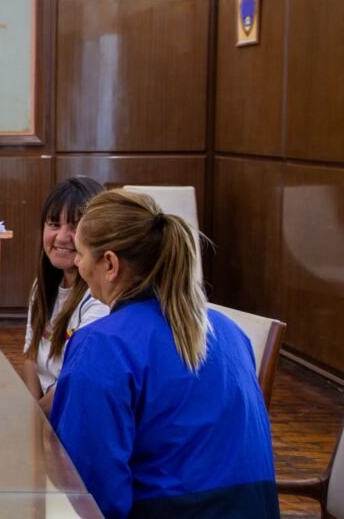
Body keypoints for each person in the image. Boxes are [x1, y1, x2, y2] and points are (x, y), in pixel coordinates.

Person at [50, 189, 278, 518]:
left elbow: (89, 488)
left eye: (81, 254)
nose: (76, 263)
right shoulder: (229, 330)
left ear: (110, 264)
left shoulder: (102, 345)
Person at [21, 176, 107, 415]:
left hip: (74, 415)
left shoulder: (100, 298)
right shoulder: (42, 285)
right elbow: (30, 357)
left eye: (75, 227)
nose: (61, 237)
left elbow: (71, 384)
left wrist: (35, 422)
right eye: (54, 224)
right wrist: (31, 413)